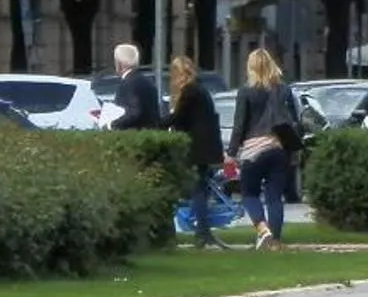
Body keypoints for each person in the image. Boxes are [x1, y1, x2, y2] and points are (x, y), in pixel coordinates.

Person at [231, 48, 300, 250]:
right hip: (279, 147)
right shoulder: (283, 89)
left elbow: (239, 125)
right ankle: (275, 241)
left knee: (249, 193)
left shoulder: (246, 91)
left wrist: (231, 152)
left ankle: (263, 229)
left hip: (254, 149)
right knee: (274, 197)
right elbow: (293, 121)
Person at [168, 57, 226, 249]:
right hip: (206, 147)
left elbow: (178, 118)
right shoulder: (199, 89)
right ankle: (203, 231)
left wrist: (157, 124)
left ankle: (202, 233)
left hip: (197, 148)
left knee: (197, 190)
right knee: (200, 189)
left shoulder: (190, 91)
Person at [108, 43, 162, 131]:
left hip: (133, 135)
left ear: (120, 64)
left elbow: (134, 112)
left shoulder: (127, 83)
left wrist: (113, 124)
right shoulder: (148, 82)